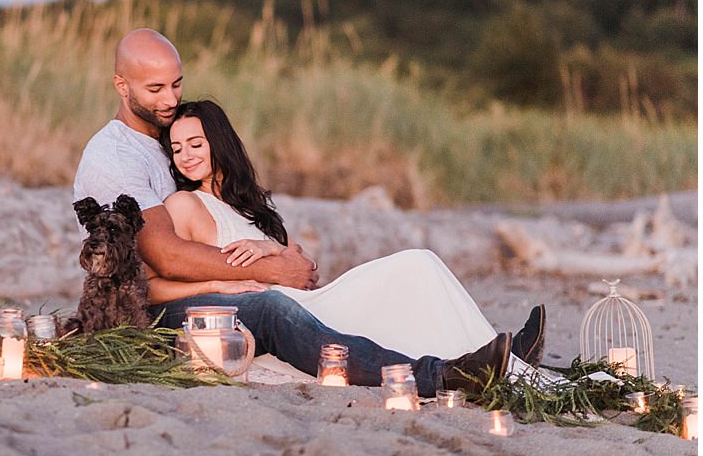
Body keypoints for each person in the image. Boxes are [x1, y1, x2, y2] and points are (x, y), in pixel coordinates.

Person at [73, 28, 529, 395]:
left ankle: (500, 355)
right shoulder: (114, 156)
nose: (170, 99)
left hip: (206, 288)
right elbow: (166, 256)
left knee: (410, 266)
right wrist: (274, 271)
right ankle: (440, 377)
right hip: (146, 312)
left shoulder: (168, 142)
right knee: (270, 308)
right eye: (155, 89)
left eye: (176, 84)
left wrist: (273, 252)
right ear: (121, 85)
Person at [158, 98, 546, 379]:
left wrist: (269, 246)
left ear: (220, 143)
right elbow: (160, 281)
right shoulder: (184, 204)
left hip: (306, 299)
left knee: (419, 262)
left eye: (196, 144)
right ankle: (460, 370)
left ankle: (505, 356)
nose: (185, 156)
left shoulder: (250, 206)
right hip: (278, 315)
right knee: (405, 278)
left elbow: (306, 269)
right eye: (176, 149)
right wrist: (220, 284)